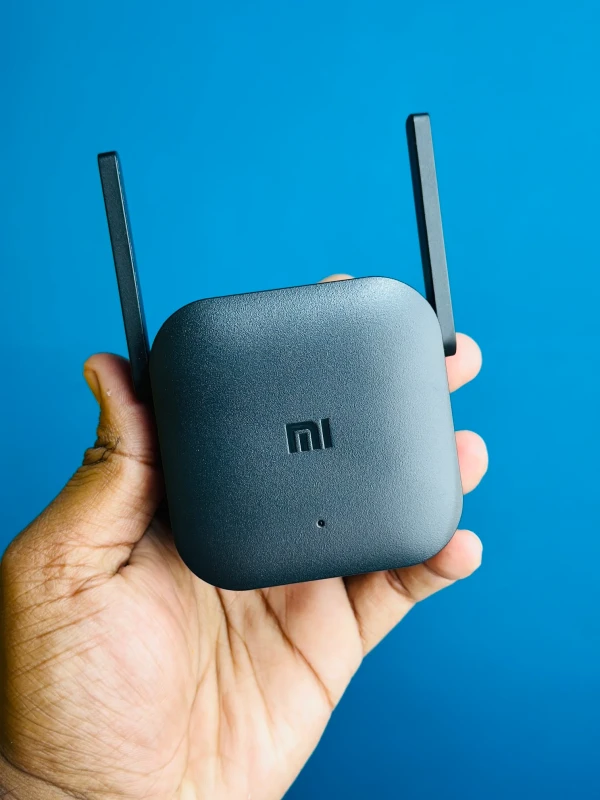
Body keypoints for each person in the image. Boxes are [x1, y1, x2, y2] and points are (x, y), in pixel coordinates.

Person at [0, 276, 488, 800]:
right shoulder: (381, 325)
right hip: (238, 556)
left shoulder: (379, 333)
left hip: (252, 549)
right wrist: (57, 784)